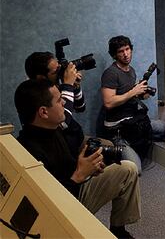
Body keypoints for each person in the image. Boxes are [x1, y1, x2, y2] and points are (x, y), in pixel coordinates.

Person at [15, 79, 140, 239]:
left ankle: (118, 230)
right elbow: (47, 206)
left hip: (75, 186)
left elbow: (75, 142)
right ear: (43, 112)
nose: (64, 102)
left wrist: (90, 168)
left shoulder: (54, 128)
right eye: (59, 100)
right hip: (62, 207)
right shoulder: (29, 153)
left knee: (128, 169)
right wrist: (80, 175)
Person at [25, 52, 143, 173]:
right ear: (40, 78)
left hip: (75, 137)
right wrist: (67, 85)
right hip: (64, 144)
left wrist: (75, 87)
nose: (61, 72)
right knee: (127, 167)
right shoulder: (36, 95)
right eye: (55, 72)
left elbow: (80, 107)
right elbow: (64, 121)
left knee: (110, 149)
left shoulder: (54, 86)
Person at [101, 35, 154, 168]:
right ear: (114, 54)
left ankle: (135, 142)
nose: (125, 54)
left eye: (127, 49)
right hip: (118, 129)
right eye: (120, 51)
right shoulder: (111, 73)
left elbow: (130, 96)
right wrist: (133, 92)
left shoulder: (131, 71)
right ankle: (122, 145)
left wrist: (142, 94)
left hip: (134, 122)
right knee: (136, 168)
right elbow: (108, 102)